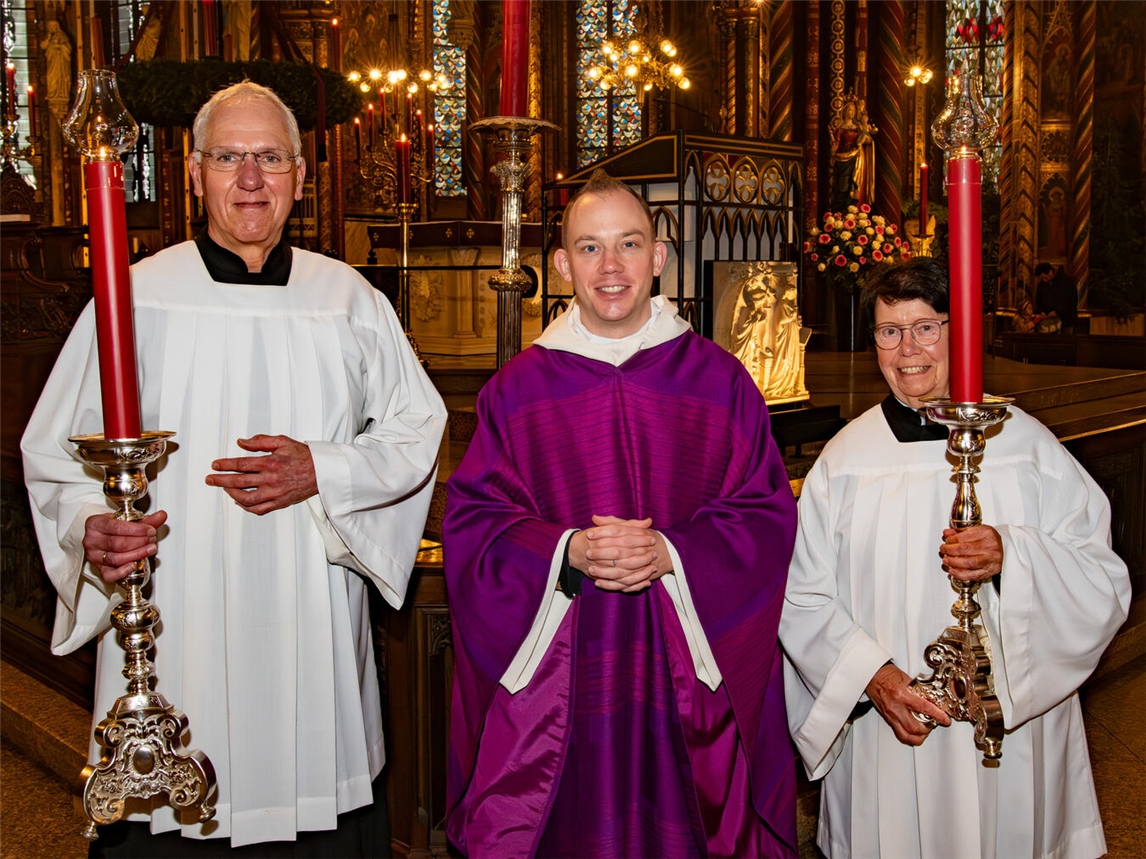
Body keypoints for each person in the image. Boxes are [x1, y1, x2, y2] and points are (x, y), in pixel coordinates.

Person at [22, 81, 447, 854]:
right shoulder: (136, 298)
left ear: (301, 176)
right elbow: (57, 453)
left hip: (310, 621)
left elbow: (417, 431)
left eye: (270, 158)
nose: (250, 178)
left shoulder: (348, 299)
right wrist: (91, 527)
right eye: (227, 158)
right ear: (194, 174)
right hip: (174, 621)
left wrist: (325, 469)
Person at [442, 170, 799, 858]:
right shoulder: (517, 389)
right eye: (590, 247)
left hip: (685, 662)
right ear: (561, 264)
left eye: (629, 244)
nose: (611, 266)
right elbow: (476, 522)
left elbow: (763, 514)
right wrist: (564, 549)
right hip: (562, 670)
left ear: (659, 257)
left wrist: (675, 552)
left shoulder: (720, 380)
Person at [779, 257, 1130, 859]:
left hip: (1005, 732)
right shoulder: (844, 460)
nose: (907, 349)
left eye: (926, 327)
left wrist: (1014, 555)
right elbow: (802, 597)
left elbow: (1098, 572)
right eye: (890, 331)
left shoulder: (1023, 443)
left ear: (958, 333)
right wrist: (874, 679)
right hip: (891, 730)